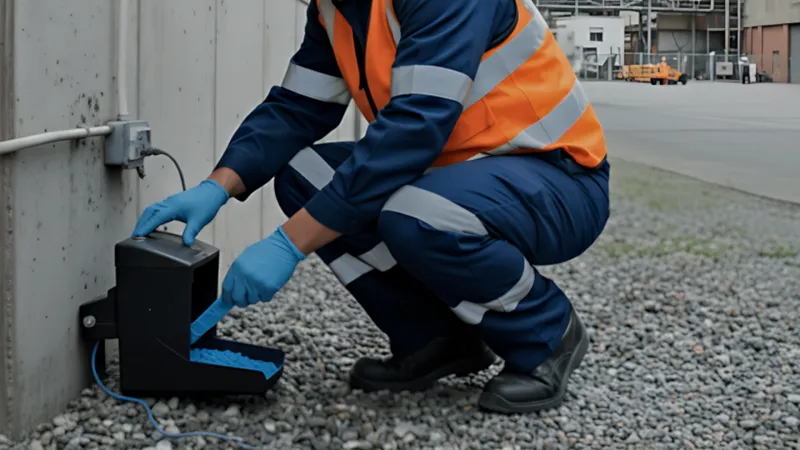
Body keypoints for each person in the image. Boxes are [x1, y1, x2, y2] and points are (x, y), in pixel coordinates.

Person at [132, 0, 610, 414]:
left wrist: (287, 243)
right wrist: (217, 186)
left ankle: (547, 334)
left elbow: (414, 127)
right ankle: (436, 340)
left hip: (556, 174)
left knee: (416, 215)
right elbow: (297, 107)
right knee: (305, 178)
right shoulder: (336, 9)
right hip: (450, 172)